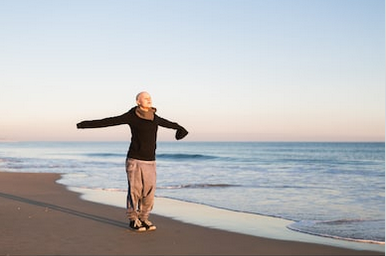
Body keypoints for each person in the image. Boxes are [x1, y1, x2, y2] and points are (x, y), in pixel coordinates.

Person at [76, 91, 188, 231]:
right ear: (138, 101)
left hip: (150, 161)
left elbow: (170, 123)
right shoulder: (132, 116)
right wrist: (84, 124)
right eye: (145, 98)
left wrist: (180, 129)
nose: (149, 99)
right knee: (135, 191)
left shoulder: (154, 117)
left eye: (150, 98)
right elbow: (110, 121)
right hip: (134, 160)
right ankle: (133, 219)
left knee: (149, 192)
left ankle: (144, 218)